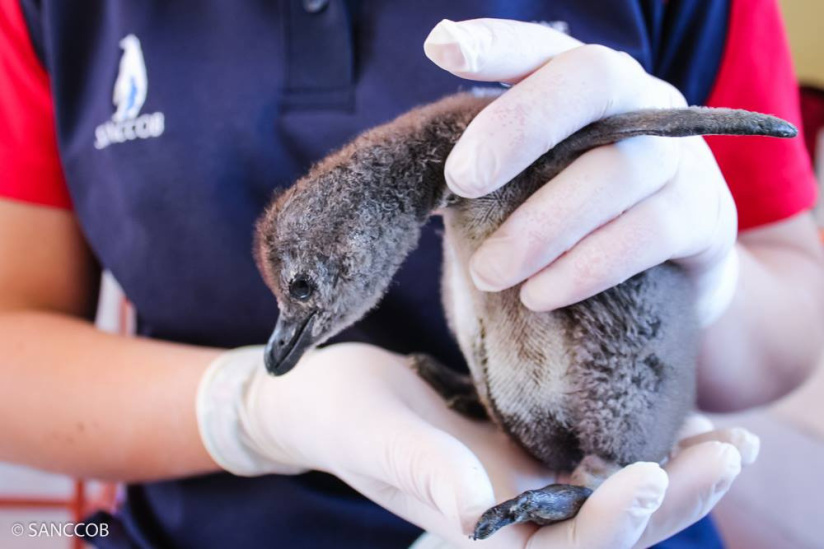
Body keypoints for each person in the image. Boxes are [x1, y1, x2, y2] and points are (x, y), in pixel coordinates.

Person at [1, 1, 821, 548]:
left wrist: (712, 278)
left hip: (623, 521)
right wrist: (250, 408)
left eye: (311, 291)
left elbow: (795, 318)